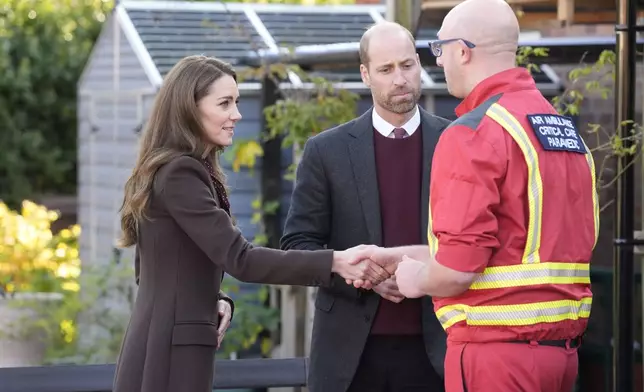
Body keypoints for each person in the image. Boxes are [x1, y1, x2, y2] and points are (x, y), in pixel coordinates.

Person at [353, 1, 600, 391]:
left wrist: (415, 278)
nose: (439, 63)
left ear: (462, 51)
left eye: (440, 50)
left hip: (497, 355)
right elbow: (512, 248)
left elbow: (457, 270)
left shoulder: (472, 132)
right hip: (561, 355)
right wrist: (403, 255)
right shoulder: (561, 130)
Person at [112, 55, 392, 392]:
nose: (237, 115)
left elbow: (157, 271)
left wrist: (216, 300)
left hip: (163, 346)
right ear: (189, 107)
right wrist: (335, 261)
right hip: (169, 355)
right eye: (225, 103)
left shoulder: (178, 171)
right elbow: (241, 259)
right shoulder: (180, 174)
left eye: (237, 102)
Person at [281, 21, 450, 392]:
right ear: (365, 74)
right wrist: (365, 277)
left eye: (407, 65)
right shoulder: (327, 151)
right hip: (350, 353)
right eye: (386, 70)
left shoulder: (455, 142)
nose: (400, 79)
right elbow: (298, 246)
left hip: (438, 348)